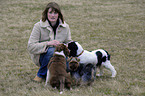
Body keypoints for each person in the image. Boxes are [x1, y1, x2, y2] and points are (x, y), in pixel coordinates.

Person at [27, 2, 72, 82]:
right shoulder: (38, 26)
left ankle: (54, 74)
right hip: (42, 56)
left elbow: (69, 42)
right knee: (52, 51)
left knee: (71, 68)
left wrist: (67, 46)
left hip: (61, 57)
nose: (53, 15)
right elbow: (30, 47)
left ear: (59, 14)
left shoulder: (66, 27)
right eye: (50, 12)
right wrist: (48, 43)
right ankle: (40, 75)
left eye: (55, 13)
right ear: (46, 14)